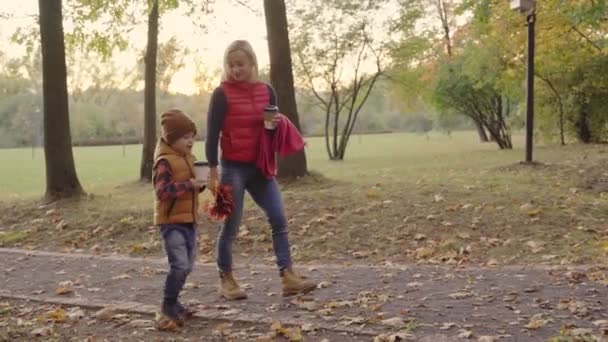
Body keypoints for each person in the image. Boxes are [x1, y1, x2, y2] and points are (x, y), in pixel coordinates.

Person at [205, 40, 316, 300]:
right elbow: (211, 135)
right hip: (233, 168)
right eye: (231, 65)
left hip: (260, 166)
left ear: (252, 63)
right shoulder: (221, 94)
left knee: (278, 217)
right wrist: (212, 171)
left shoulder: (267, 91)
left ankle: (288, 276)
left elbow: (270, 129)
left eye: (240, 64)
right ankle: (226, 280)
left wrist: (276, 124)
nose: (235, 70)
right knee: (231, 225)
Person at [153, 109, 205, 323]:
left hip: (189, 220)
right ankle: (168, 304)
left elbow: (191, 189)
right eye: (185, 137)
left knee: (189, 264)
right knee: (180, 265)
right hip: (171, 222)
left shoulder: (190, 159)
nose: (190, 141)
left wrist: (200, 185)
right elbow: (162, 191)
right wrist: (188, 185)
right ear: (172, 138)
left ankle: (174, 303)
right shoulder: (164, 161)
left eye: (192, 136)